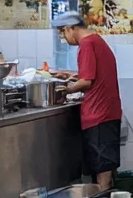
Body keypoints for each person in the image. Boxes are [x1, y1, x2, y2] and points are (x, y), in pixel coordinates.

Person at [53, 11, 124, 187]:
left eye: (63, 32)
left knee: (102, 170)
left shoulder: (86, 44)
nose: (64, 37)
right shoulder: (96, 41)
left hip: (99, 115)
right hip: (106, 112)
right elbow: (92, 74)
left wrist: (65, 90)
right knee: (104, 167)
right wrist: (69, 75)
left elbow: (87, 81)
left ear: (71, 28)